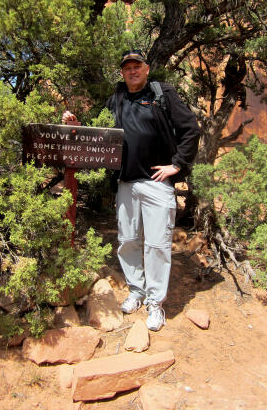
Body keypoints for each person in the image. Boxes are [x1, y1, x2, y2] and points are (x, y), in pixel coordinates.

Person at [63, 49, 200, 331]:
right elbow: (100, 133)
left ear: (146, 69)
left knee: (158, 245)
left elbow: (190, 129)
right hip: (126, 183)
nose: (132, 71)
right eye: (127, 68)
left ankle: (155, 303)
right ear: (122, 72)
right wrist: (77, 126)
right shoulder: (116, 99)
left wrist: (176, 165)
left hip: (156, 183)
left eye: (137, 66)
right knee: (127, 241)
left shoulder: (162, 93)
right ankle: (136, 291)